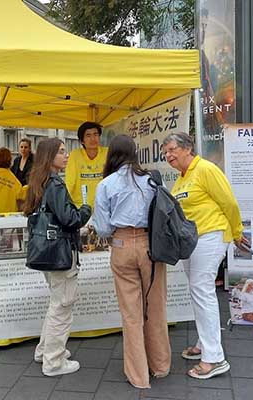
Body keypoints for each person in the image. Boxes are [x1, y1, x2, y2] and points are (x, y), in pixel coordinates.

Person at [163, 132, 247, 380]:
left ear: (188, 148)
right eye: (165, 152)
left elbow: (229, 203)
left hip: (211, 235)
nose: (168, 156)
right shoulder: (181, 179)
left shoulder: (206, 169)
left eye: (171, 150)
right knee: (197, 290)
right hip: (192, 240)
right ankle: (203, 344)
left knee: (202, 290)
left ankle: (214, 358)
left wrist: (236, 232)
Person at [92, 135, 170, 389]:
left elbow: (102, 228)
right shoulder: (152, 179)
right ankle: (160, 366)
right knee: (155, 307)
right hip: (151, 246)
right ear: (135, 153)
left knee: (131, 313)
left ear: (112, 154)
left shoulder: (106, 184)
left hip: (121, 245)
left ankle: (138, 376)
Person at [23, 137, 91, 377]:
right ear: (49, 156)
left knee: (56, 302)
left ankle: (45, 350)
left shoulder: (38, 182)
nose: (66, 155)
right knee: (63, 305)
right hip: (61, 254)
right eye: (62, 152)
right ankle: (53, 361)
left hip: (47, 254)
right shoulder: (55, 184)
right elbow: (71, 219)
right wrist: (85, 210)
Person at [65, 121, 108, 208]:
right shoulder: (74, 155)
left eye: (95, 134)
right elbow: (69, 183)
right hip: (80, 208)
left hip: (104, 207)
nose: (93, 139)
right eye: (88, 136)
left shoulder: (108, 153)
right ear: (82, 141)